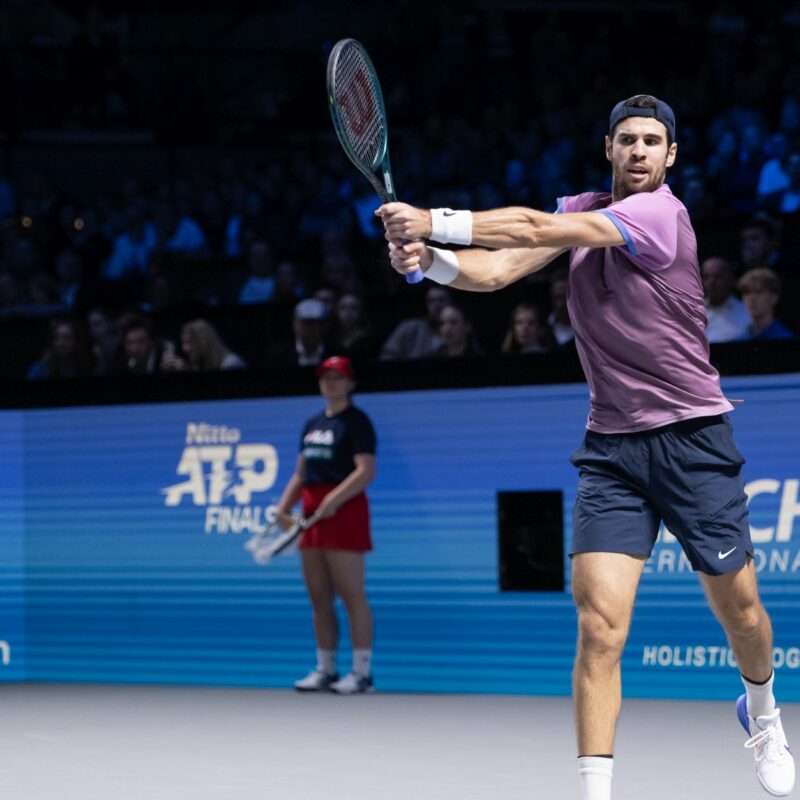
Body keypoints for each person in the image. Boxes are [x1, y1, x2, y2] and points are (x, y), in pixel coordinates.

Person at [377, 94, 794, 799]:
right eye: (626, 139)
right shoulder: (581, 209)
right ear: (609, 149)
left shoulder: (661, 216)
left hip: (693, 440)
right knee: (599, 627)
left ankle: (762, 712)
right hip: (611, 451)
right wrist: (431, 264)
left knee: (743, 612)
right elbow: (498, 271)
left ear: (671, 156)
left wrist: (434, 221)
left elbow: (536, 226)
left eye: (652, 141)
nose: (639, 151)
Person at [273, 355, 377, 695]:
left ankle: (361, 673)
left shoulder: (357, 422)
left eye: (338, 377)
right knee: (319, 597)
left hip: (344, 512)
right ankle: (325, 669)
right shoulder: (312, 423)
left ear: (350, 383)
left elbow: (365, 471)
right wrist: (283, 508)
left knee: (352, 595)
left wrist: (335, 499)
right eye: (325, 377)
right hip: (311, 515)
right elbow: (301, 474)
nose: (331, 383)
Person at [379, 284, 450, 360]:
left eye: (441, 300)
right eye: (431, 301)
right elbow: (388, 354)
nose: (437, 304)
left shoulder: (457, 328)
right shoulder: (409, 328)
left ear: (450, 302)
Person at [160, 318, 247, 372]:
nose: (185, 348)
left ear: (204, 342)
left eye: (190, 342)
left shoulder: (232, 365)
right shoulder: (205, 364)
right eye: (184, 343)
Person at [701, 256, 751, 343]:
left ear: (731, 279)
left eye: (718, 276)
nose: (711, 282)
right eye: (706, 277)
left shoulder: (747, 312)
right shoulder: (692, 312)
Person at [27, 317, 95, 379]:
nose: (62, 343)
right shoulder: (40, 369)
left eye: (67, 338)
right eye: (57, 338)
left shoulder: (83, 367)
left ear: (76, 341)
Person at [737, 268, 795, 341]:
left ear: (774, 297)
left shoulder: (785, 337)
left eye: (758, 292)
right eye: (747, 293)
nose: (751, 299)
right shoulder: (739, 338)